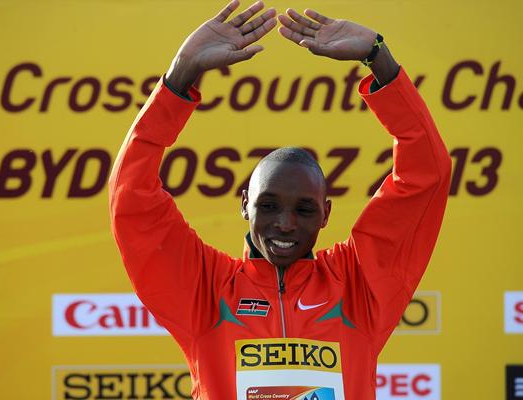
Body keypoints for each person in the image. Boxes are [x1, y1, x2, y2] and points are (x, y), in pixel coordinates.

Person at [108, 1, 451, 399]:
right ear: (244, 205)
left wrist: (380, 59)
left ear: (325, 213)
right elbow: (131, 197)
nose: (285, 224)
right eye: (268, 205)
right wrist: (181, 74)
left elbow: (427, 174)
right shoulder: (205, 290)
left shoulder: (358, 285)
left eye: (304, 209)